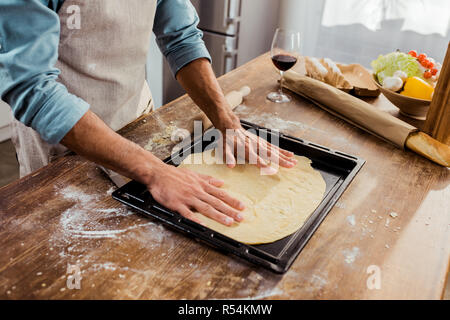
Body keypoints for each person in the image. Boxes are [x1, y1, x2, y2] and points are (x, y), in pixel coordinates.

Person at [0, 0, 297, 226]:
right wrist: (155, 171)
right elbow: (31, 85)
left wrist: (229, 124)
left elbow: (181, 38)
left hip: (136, 118)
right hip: (67, 143)